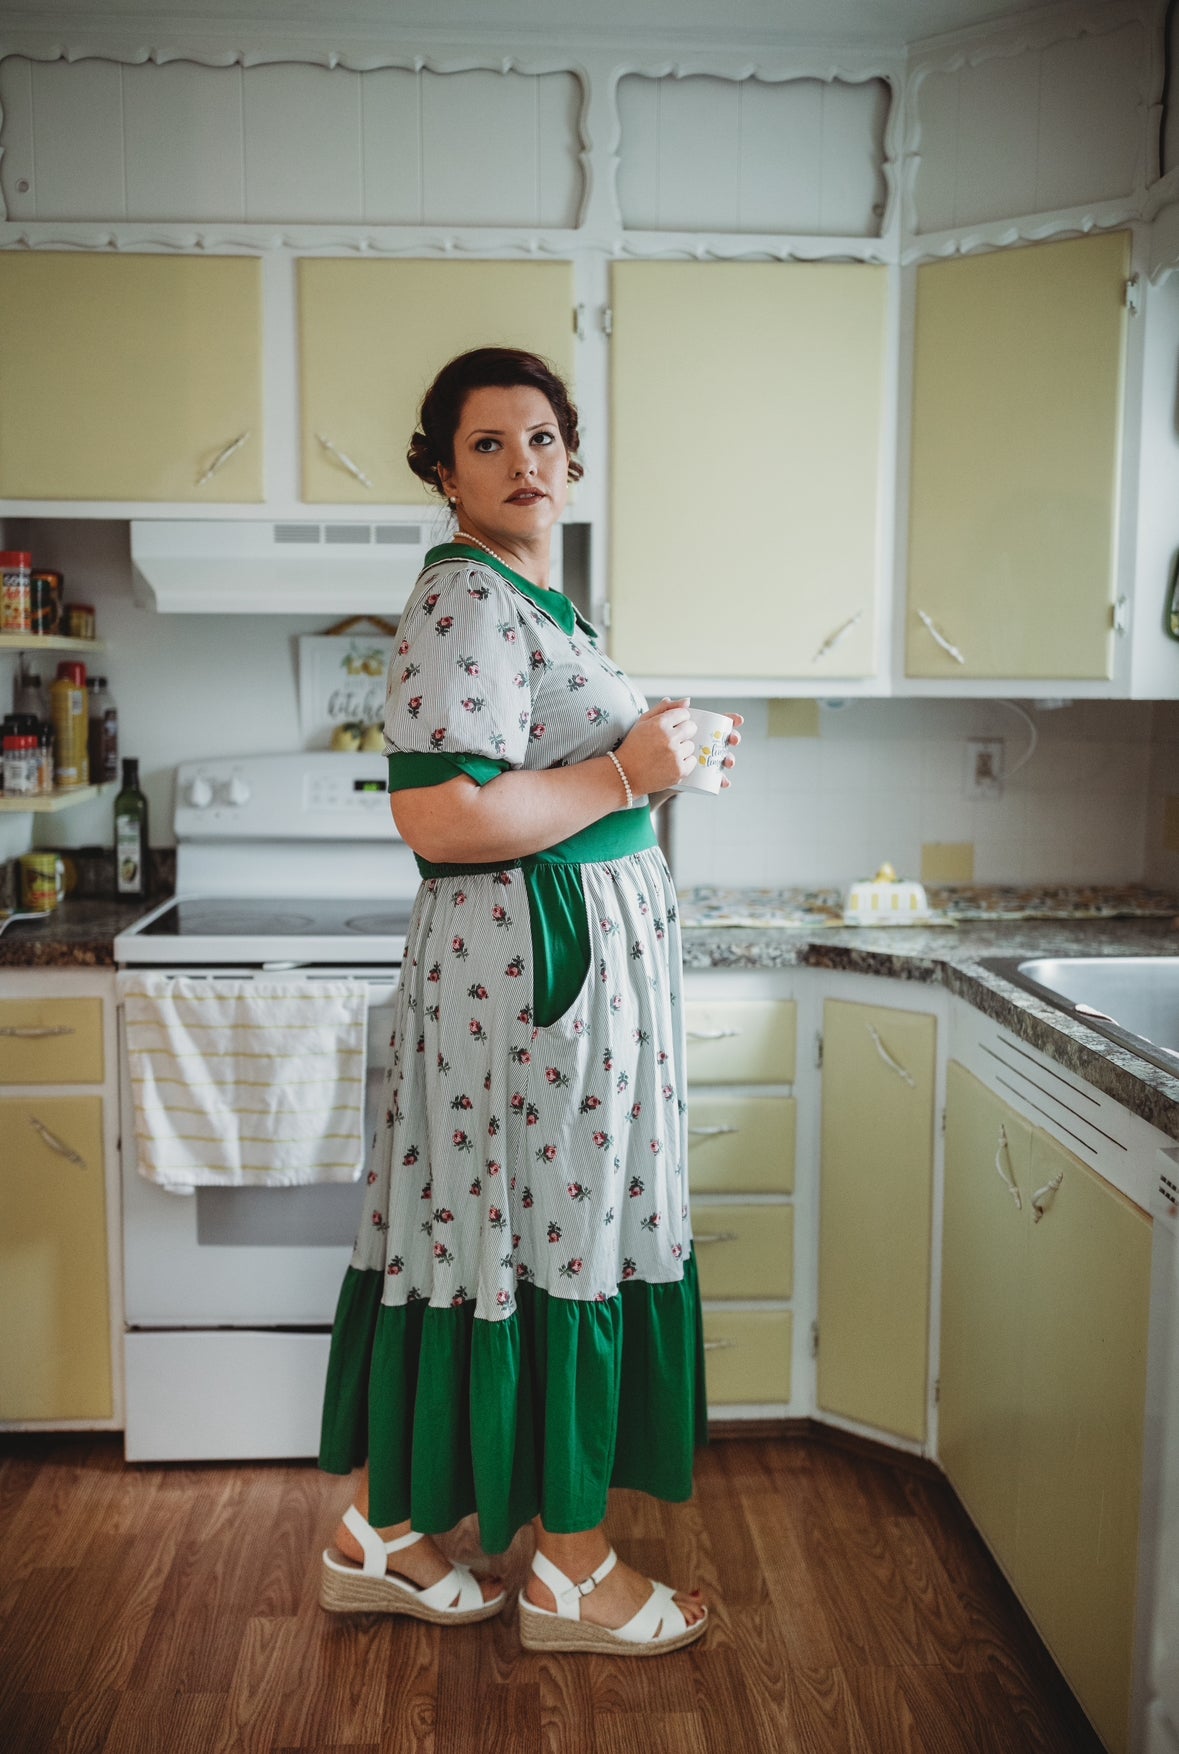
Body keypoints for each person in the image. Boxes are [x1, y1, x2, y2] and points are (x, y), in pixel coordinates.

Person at [318, 345, 741, 1654]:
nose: (525, 462)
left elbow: (545, 769)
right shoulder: (464, 597)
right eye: (488, 442)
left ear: (572, 457)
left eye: (544, 437)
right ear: (442, 469)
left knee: (489, 1233)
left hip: (548, 977)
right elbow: (440, 815)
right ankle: (568, 1571)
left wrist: (649, 750)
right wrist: (629, 772)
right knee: (552, 1234)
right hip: (531, 986)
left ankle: (379, 1530)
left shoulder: (528, 600)